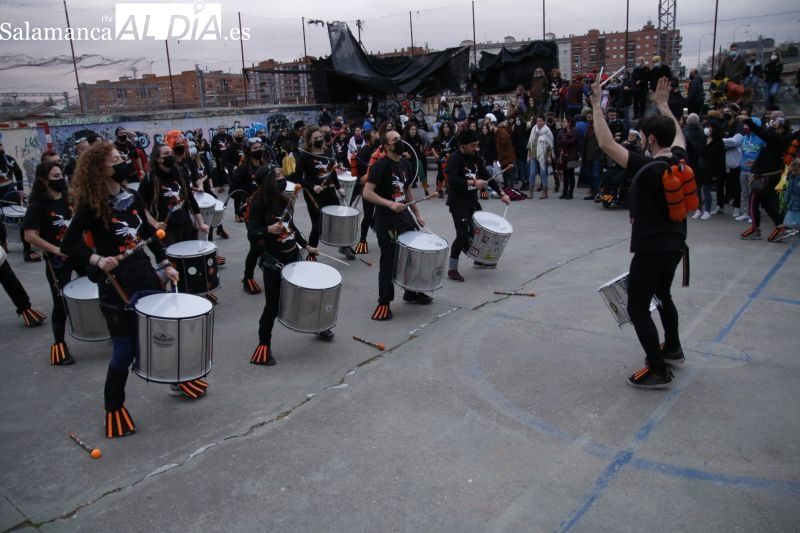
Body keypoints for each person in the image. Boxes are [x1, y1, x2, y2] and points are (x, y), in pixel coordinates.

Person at [60, 142, 194, 439]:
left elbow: (147, 233)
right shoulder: (90, 206)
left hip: (145, 275)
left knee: (164, 334)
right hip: (116, 285)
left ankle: (177, 379)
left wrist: (164, 262)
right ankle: (114, 407)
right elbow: (69, 244)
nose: (124, 163)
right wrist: (97, 259)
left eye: (122, 158)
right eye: (116, 160)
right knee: (126, 349)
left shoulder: (132, 196)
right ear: (99, 169)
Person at [589, 76, 688, 389]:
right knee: (663, 295)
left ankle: (659, 369)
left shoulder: (649, 166)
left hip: (651, 248)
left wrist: (595, 105)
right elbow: (678, 135)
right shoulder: (679, 159)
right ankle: (672, 347)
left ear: (650, 140)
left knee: (637, 306)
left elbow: (606, 144)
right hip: (676, 245)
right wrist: (663, 106)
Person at [246, 165, 329, 366]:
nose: (283, 179)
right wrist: (268, 229)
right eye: (278, 176)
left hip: (293, 255)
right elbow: (252, 234)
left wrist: (307, 246)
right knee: (272, 306)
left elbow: (292, 227)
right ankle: (263, 346)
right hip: (274, 262)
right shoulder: (257, 204)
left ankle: (318, 325)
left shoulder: (284, 199)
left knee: (308, 293)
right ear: (267, 181)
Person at [362, 130, 431, 320]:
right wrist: (389, 204)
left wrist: (417, 215)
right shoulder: (381, 166)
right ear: (386, 146)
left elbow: (407, 191)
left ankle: (412, 291)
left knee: (413, 255)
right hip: (387, 220)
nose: (400, 142)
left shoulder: (405, 164)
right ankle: (384, 302)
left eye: (400, 138)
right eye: (395, 140)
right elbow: (367, 193)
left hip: (405, 217)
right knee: (389, 261)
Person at [22, 161, 76, 365]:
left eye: (61, 174)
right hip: (57, 260)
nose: (61, 178)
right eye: (56, 176)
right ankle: (60, 347)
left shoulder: (68, 198)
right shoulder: (38, 206)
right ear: (44, 180)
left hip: (77, 254)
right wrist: (55, 250)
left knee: (99, 288)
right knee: (61, 303)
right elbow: (29, 236)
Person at [445, 130, 510, 282]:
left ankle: (478, 258)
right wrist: (474, 182)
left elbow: (487, 176)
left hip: (472, 201)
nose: (476, 148)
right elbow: (452, 180)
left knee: (479, 233)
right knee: (462, 236)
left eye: (477, 145)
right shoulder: (454, 159)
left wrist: (501, 194)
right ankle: (452, 268)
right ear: (462, 146)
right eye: (473, 146)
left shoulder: (475, 157)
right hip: (458, 202)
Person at [140, 142, 209, 247]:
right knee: (174, 262)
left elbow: (190, 199)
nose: (171, 155)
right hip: (167, 230)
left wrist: (201, 223)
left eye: (172, 153)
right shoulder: (149, 178)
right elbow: (141, 206)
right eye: (167, 153)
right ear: (158, 159)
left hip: (185, 224)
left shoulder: (181, 173)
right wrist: (154, 223)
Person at [296, 127, 350, 259]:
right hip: (313, 194)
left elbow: (332, 172)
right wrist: (312, 186)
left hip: (330, 191)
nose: (319, 140)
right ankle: (311, 254)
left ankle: (345, 246)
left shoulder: (327, 152)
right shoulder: (305, 156)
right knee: (317, 225)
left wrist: (338, 188)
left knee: (338, 220)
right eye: (315, 138)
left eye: (320, 137)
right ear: (309, 140)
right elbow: (296, 178)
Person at [740, 112, 793, 241]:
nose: (772, 122)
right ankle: (780, 226)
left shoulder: (779, 139)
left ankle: (755, 229)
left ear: (781, 127)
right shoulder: (777, 138)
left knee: (753, 201)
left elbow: (762, 133)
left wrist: (748, 121)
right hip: (769, 173)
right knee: (768, 203)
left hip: (765, 176)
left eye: (776, 121)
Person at [0, 140, 42, 263]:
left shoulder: (9, 160)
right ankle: (3, 243)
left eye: (1, 145)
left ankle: (27, 249)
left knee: (22, 219)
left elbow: (18, 173)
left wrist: (20, 191)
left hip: (11, 195)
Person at [692, 120, 725, 221]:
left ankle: (707, 210)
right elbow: (697, 152)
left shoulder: (719, 142)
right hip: (699, 167)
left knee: (706, 190)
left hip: (710, 168)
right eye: (708, 127)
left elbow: (720, 159)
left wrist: (716, 173)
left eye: (711, 127)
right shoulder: (703, 139)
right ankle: (698, 209)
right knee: (697, 190)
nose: (708, 129)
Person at [720, 106, 745, 217]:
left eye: (728, 112)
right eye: (724, 112)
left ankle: (737, 207)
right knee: (729, 184)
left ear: (734, 113)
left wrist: (723, 142)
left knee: (736, 185)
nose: (726, 113)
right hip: (726, 159)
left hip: (737, 159)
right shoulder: (724, 125)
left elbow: (736, 141)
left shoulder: (738, 126)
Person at [527, 116, 554, 199]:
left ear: (544, 122)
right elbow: (529, 144)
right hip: (533, 155)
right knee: (532, 173)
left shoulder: (548, 132)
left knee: (543, 173)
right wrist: (528, 156)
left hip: (543, 155)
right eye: (538, 121)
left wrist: (549, 156)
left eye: (541, 121)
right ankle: (530, 191)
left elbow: (550, 145)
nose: (539, 122)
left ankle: (545, 192)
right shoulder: (533, 130)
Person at [556, 117, 580, 199]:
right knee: (565, 174)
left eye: (564, 121)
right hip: (563, 155)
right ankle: (564, 192)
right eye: (563, 121)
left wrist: (564, 141)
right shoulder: (561, 131)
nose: (563, 123)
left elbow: (572, 141)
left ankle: (571, 193)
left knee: (571, 174)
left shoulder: (574, 130)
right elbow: (558, 141)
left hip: (571, 155)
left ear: (569, 122)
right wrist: (564, 141)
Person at [431, 121, 456, 198]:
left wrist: (452, 155)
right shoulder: (439, 138)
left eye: (447, 127)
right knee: (440, 175)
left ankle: (450, 188)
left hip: (450, 159)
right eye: (444, 127)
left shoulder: (454, 137)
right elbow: (432, 146)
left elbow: (457, 148)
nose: (445, 128)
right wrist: (435, 154)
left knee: (450, 175)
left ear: (450, 128)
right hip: (441, 159)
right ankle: (439, 190)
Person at [403, 122, 428, 194]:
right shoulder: (404, 139)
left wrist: (422, 150)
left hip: (417, 158)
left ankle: (426, 190)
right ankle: (406, 191)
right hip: (408, 160)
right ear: (408, 130)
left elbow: (419, 148)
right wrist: (405, 154)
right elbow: (402, 151)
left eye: (415, 129)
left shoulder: (418, 137)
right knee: (407, 176)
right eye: (412, 129)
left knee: (422, 174)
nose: (414, 131)